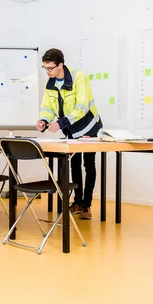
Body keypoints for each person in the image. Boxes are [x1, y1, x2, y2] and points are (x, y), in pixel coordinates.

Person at [36, 48, 103, 220]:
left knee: (89, 164)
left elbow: (81, 107)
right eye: (45, 68)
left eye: (50, 68)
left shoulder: (78, 77)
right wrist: (44, 120)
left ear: (61, 65)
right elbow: (47, 107)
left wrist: (60, 123)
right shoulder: (50, 83)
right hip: (72, 129)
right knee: (74, 164)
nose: (47, 71)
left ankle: (87, 204)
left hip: (89, 126)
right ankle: (77, 202)